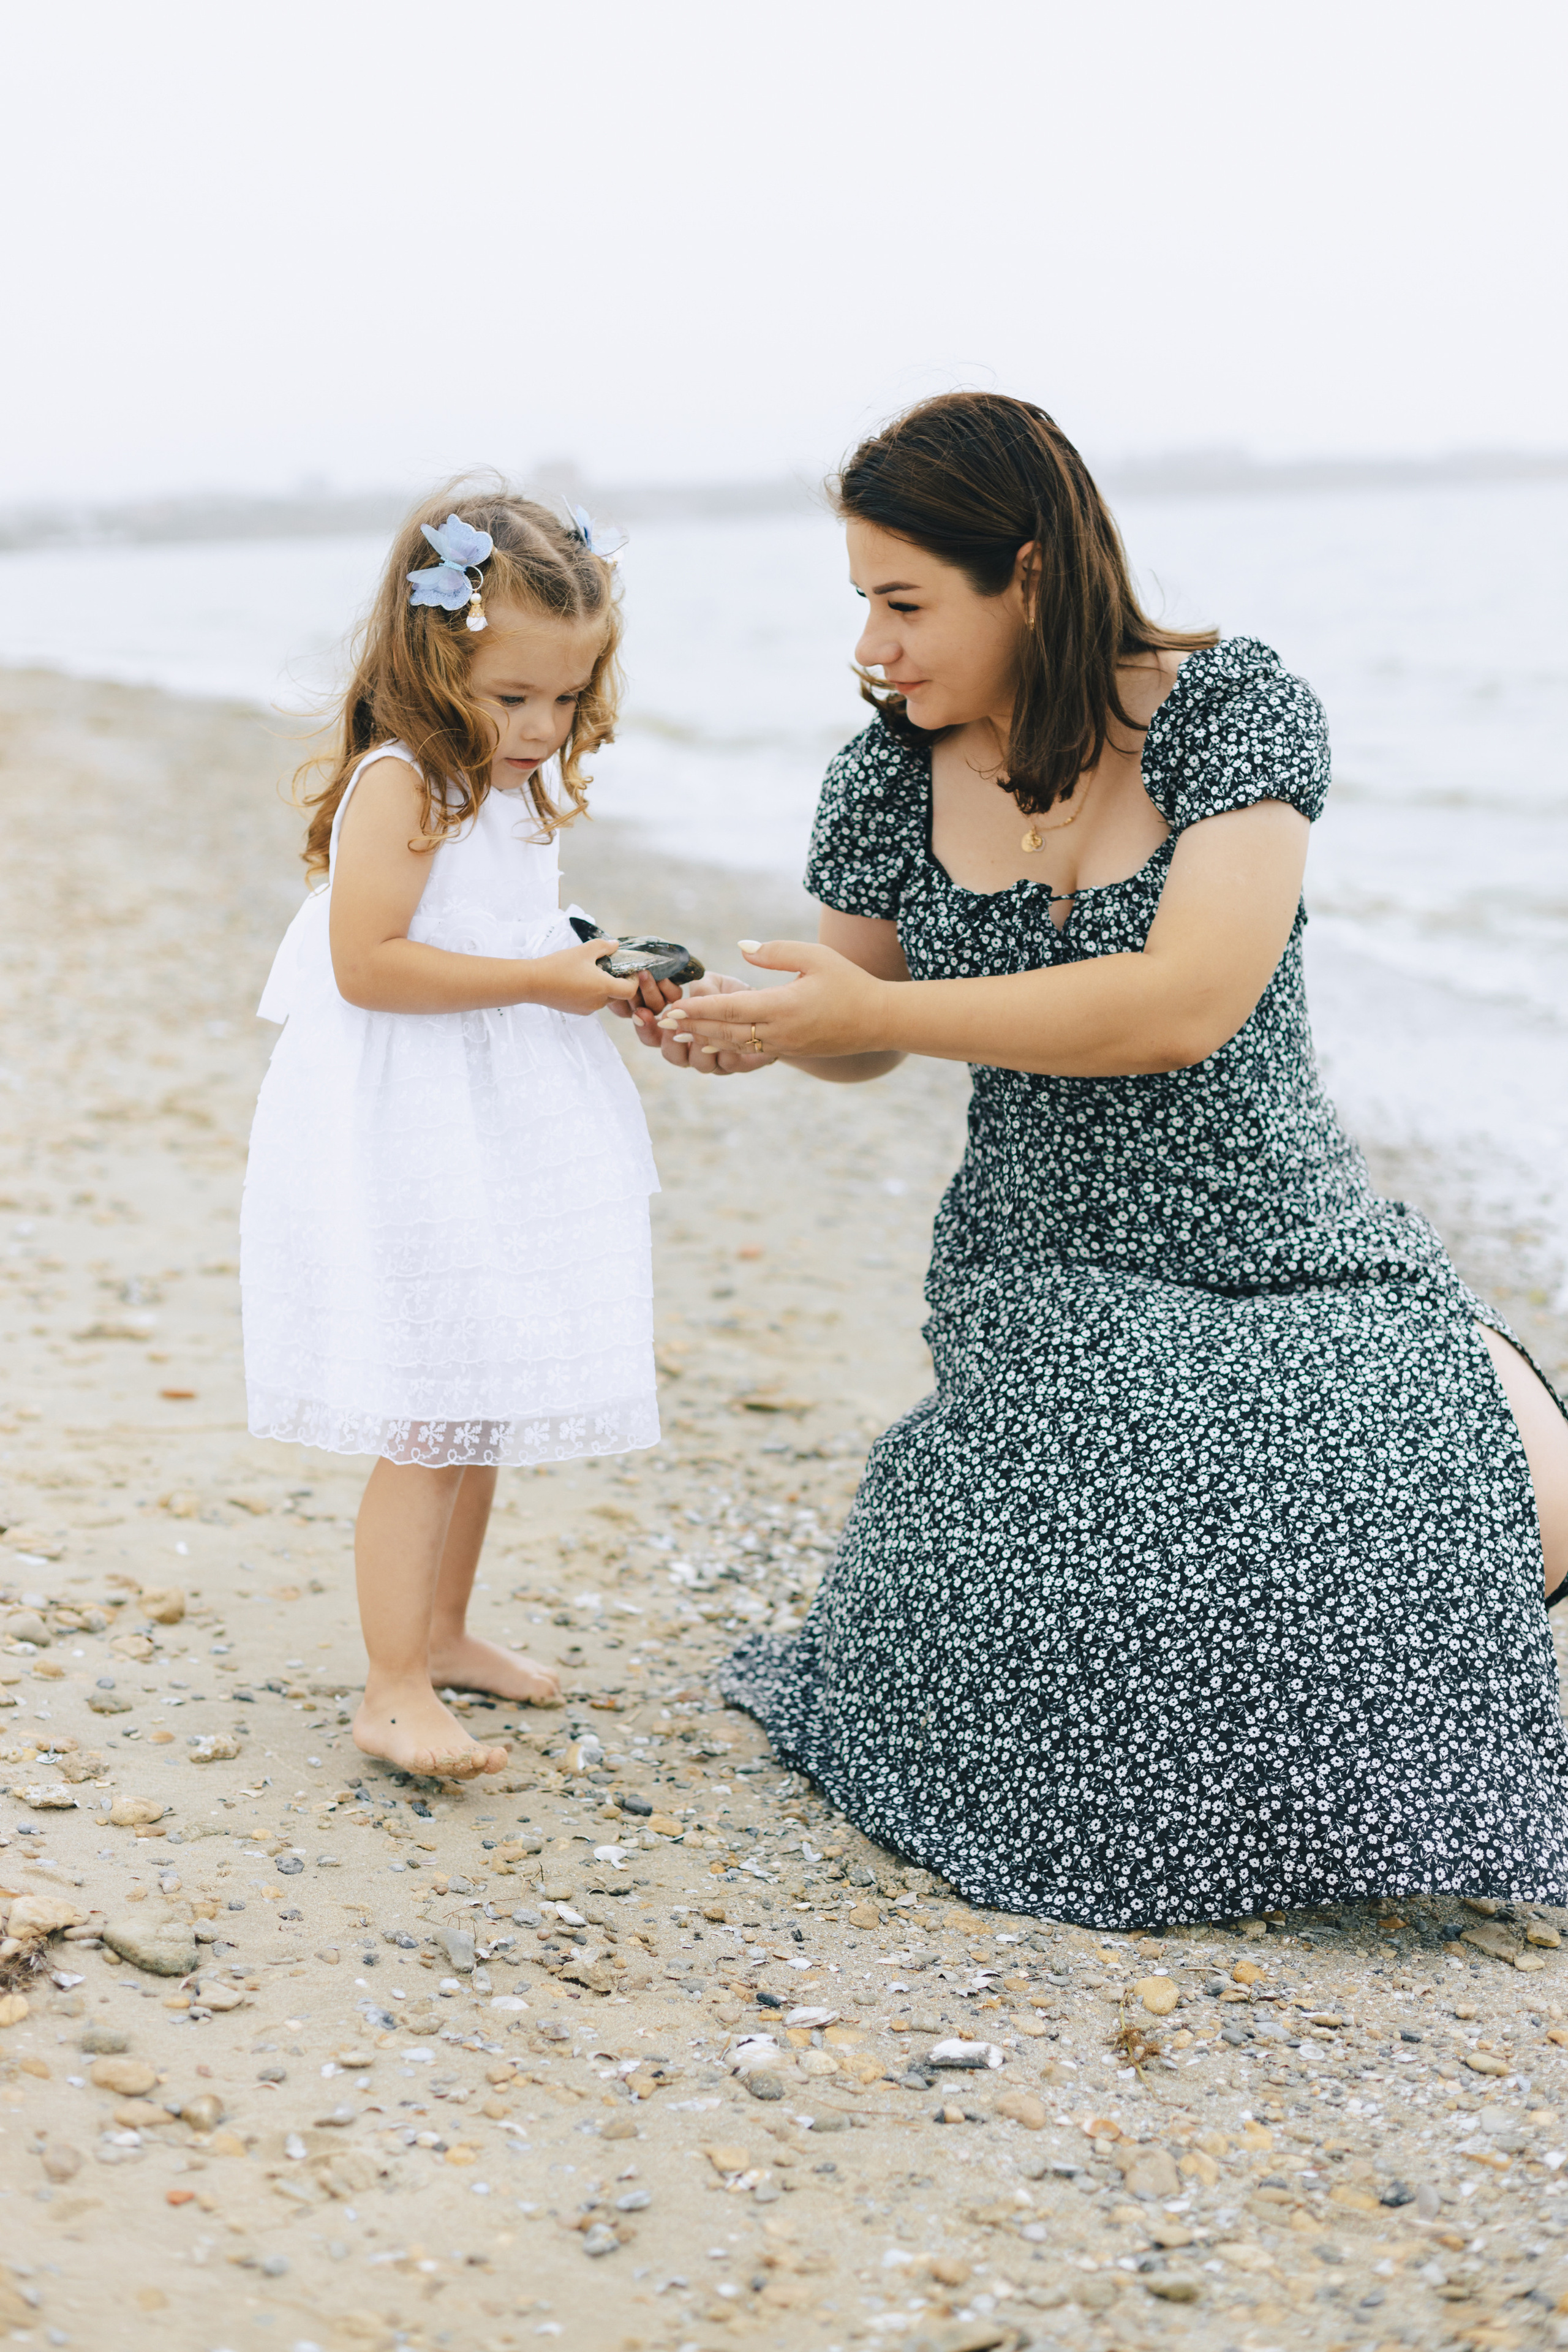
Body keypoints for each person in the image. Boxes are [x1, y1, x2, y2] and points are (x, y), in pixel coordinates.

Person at [652, 392, 1568, 1928]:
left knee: (1505, 1500)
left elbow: (1185, 1005)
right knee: (1136, 1513)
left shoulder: (1228, 714)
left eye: (902, 601)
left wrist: (870, 1005)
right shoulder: (884, 776)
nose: (873, 647)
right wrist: (765, 1025)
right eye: (861, 606)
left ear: (1026, 572)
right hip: (1047, 1254)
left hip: (1285, 1237)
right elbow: (867, 1027)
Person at [241, 483, 677, 1779]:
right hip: (413, 1127)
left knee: (480, 1398)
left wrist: (592, 957)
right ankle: (386, 1687)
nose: (539, 729)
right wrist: (545, 986)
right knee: (426, 1415)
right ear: (437, 661)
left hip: (500, 1116)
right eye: (510, 699)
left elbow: (508, 928)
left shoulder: (507, 787)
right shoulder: (405, 780)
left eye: (563, 698)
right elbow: (369, 964)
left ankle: (442, 1631)